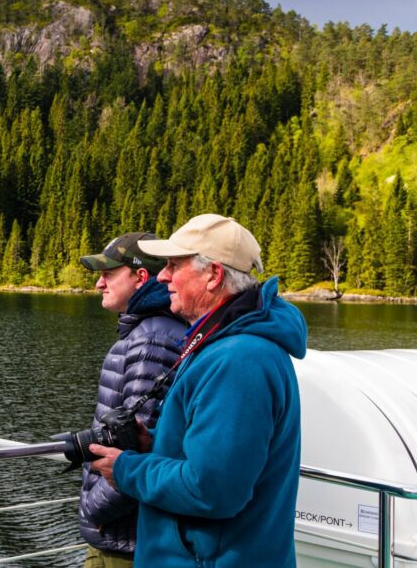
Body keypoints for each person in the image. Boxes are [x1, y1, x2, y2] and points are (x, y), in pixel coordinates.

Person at [88, 214, 307, 568]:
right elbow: (212, 454)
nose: (162, 276)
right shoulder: (225, 345)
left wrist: (128, 469)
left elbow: (212, 490)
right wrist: (155, 443)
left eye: (174, 265)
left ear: (213, 275)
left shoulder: (239, 360)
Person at [78, 232, 187, 568]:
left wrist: (93, 510)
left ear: (140, 277)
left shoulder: (151, 339)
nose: (99, 283)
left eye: (108, 274)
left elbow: (141, 451)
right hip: (124, 535)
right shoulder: (146, 332)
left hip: (124, 543)